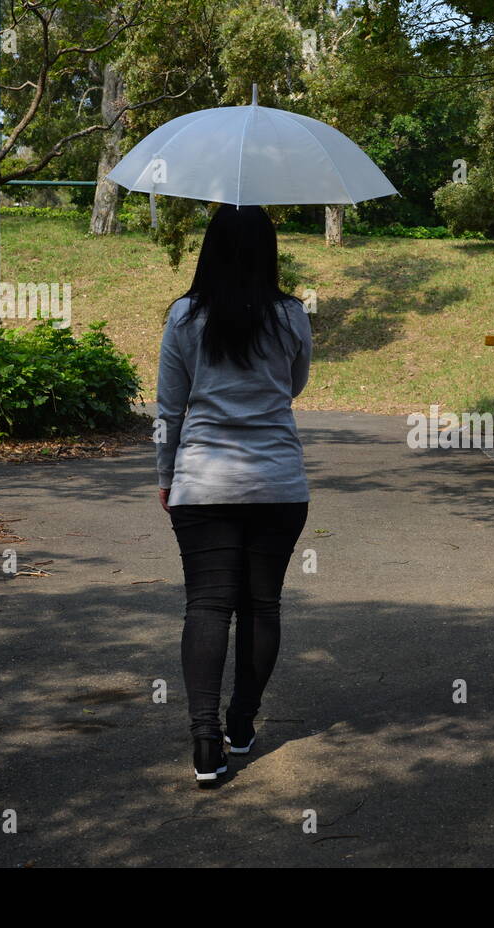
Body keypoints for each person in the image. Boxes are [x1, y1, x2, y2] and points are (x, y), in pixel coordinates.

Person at [156, 204, 311, 787]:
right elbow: (293, 385)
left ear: (209, 249)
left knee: (207, 606)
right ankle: (241, 725)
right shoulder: (291, 314)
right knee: (261, 605)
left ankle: (205, 744)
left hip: (203, 483)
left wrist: (166, 477)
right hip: (277, 483)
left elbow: (170, 408)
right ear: (268, 252)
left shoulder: (183, 317)